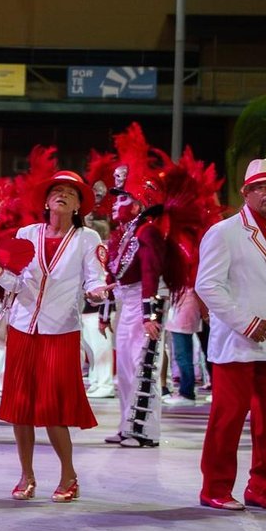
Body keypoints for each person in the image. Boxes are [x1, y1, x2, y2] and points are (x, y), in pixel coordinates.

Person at [0, 169, 106, 503]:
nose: (62, 195)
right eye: (56, 191)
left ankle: (69, 474)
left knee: (54, 410)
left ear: (79, 205)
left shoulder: (87, 239)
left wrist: (96, 294)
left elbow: (94, 278)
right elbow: (16, 283)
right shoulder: (27, 233)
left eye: (70, 192)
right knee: (20, 408)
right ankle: (27, 475)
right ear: (47, 200)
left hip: (60, 330)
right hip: (23, 328)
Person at [193, 158, 266, 511]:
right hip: (237, 343)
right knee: (227, 420)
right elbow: (207, 285)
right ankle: (214, 488)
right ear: (246, 193)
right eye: (261, 187)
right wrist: (246, 322)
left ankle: (263, 489)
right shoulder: (224, 232)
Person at [102, 171, 168, 448]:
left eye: (124, 198)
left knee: (143, 366)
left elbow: (151, 273)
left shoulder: (147, 231)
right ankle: (126, 425)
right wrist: (106, 314)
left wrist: (149, 315)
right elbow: (114, 278)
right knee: (126, 368)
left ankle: (145, 432)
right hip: (127, 304)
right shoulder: (125, 233)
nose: (116, 203)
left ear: (139, 204)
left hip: (145, 305)